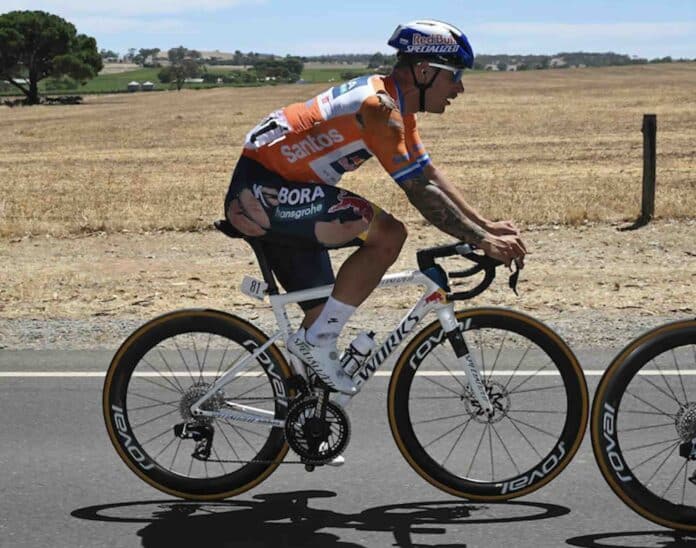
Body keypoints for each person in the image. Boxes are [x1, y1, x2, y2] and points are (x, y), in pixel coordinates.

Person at [225, 19, 527, 396]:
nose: (460, 87)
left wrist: (486, 226)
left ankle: (305, 430)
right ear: (424, 71)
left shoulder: (397, 104)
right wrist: (481, 239)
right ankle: (314, 346)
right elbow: (418, 191)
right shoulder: (379, 108)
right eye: (455, 75)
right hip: (261, 192)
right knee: (388, 234)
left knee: (319, 325)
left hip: (289, 190)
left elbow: (429, 172)